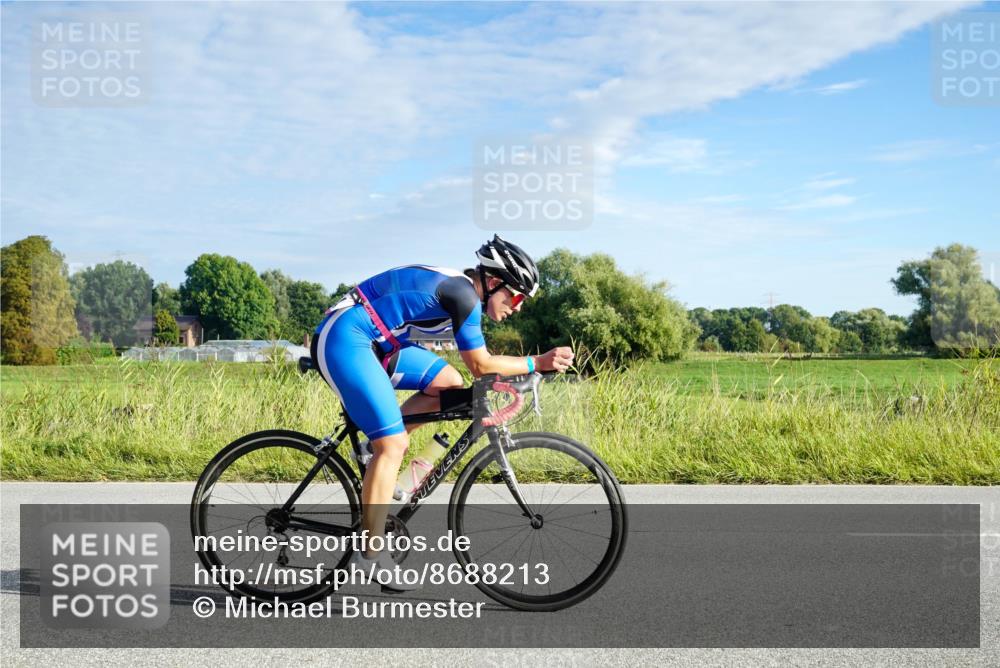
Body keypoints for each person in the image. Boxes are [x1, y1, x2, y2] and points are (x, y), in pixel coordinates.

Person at [311, 235, 574, 590]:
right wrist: (537, 362)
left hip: (379, 342)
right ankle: (370, 554)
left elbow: (474, 368)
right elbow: (481, 365)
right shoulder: (464, 296)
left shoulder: (462, 291)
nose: (518, 306)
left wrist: (527, 370)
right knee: (392, 447)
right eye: (516, 296)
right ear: (494, 282)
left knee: (449, 384)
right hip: (347, 337)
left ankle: (382, 452)